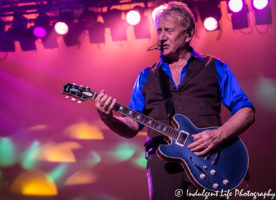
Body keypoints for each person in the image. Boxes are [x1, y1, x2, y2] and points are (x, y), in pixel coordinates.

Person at [95, 2, 255, 199]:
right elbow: (131, 126)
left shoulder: (215, 67)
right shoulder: (146, 76)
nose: (161, 37)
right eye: (159, 30)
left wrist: (219, 135)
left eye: (168, 30)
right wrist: (108, 118)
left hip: (210, 162)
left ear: (187, 35)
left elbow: (246, 111)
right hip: (163, 167)